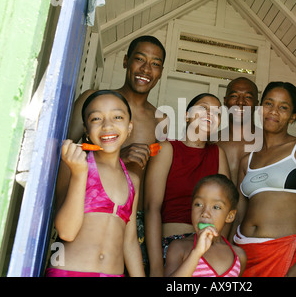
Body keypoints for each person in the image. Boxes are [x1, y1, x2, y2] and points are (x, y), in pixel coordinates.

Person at [67, 35, 167, 268]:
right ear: (125, 61)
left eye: (155, 64)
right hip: (87, 210)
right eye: (139, 59)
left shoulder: (161, 120)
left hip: (133, 220)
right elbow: (62, 152)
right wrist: (113, 158)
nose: (146, 69)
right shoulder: (92, 101)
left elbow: (153, 181)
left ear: (161, 72)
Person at [232, 81, 296, 277]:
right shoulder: (246, 160)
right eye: (269, 103)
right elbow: (238, 214)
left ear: (293, 116)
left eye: (283, 107)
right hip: (244, 255)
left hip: (285, 252)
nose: (274, 111)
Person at [46, 90, 144, 277]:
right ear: (86, 131)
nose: (108, 126)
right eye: (96, 119)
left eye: (117, 117)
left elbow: (130, 242)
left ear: (129, 127)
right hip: (69, 272)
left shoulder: (133, 180)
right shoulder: (74, 166)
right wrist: (80, 173)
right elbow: (66, 232)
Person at [144, 93, 230, 277]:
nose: (210, 114)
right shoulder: (167, 149)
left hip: (210, 248)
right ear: (187, 115)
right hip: (171, 244)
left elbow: (227, 207)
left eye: (216, 113)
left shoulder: (218, 153)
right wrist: (157, 266)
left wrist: (221, 249)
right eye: (203, 108)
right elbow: (152, 208)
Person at [217, 77, 296, 186]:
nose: (240, 102)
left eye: (248, 97)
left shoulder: (271, 143)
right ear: (225, 101)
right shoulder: (211, 142)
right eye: (233, 96)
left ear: (257, 105)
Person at [164, 174, 247, 277]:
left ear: (230, 216)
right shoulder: (179, 248)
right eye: (198, 204)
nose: (205, 213)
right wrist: (197, 253)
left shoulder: (238, 256)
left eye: (216, 207)